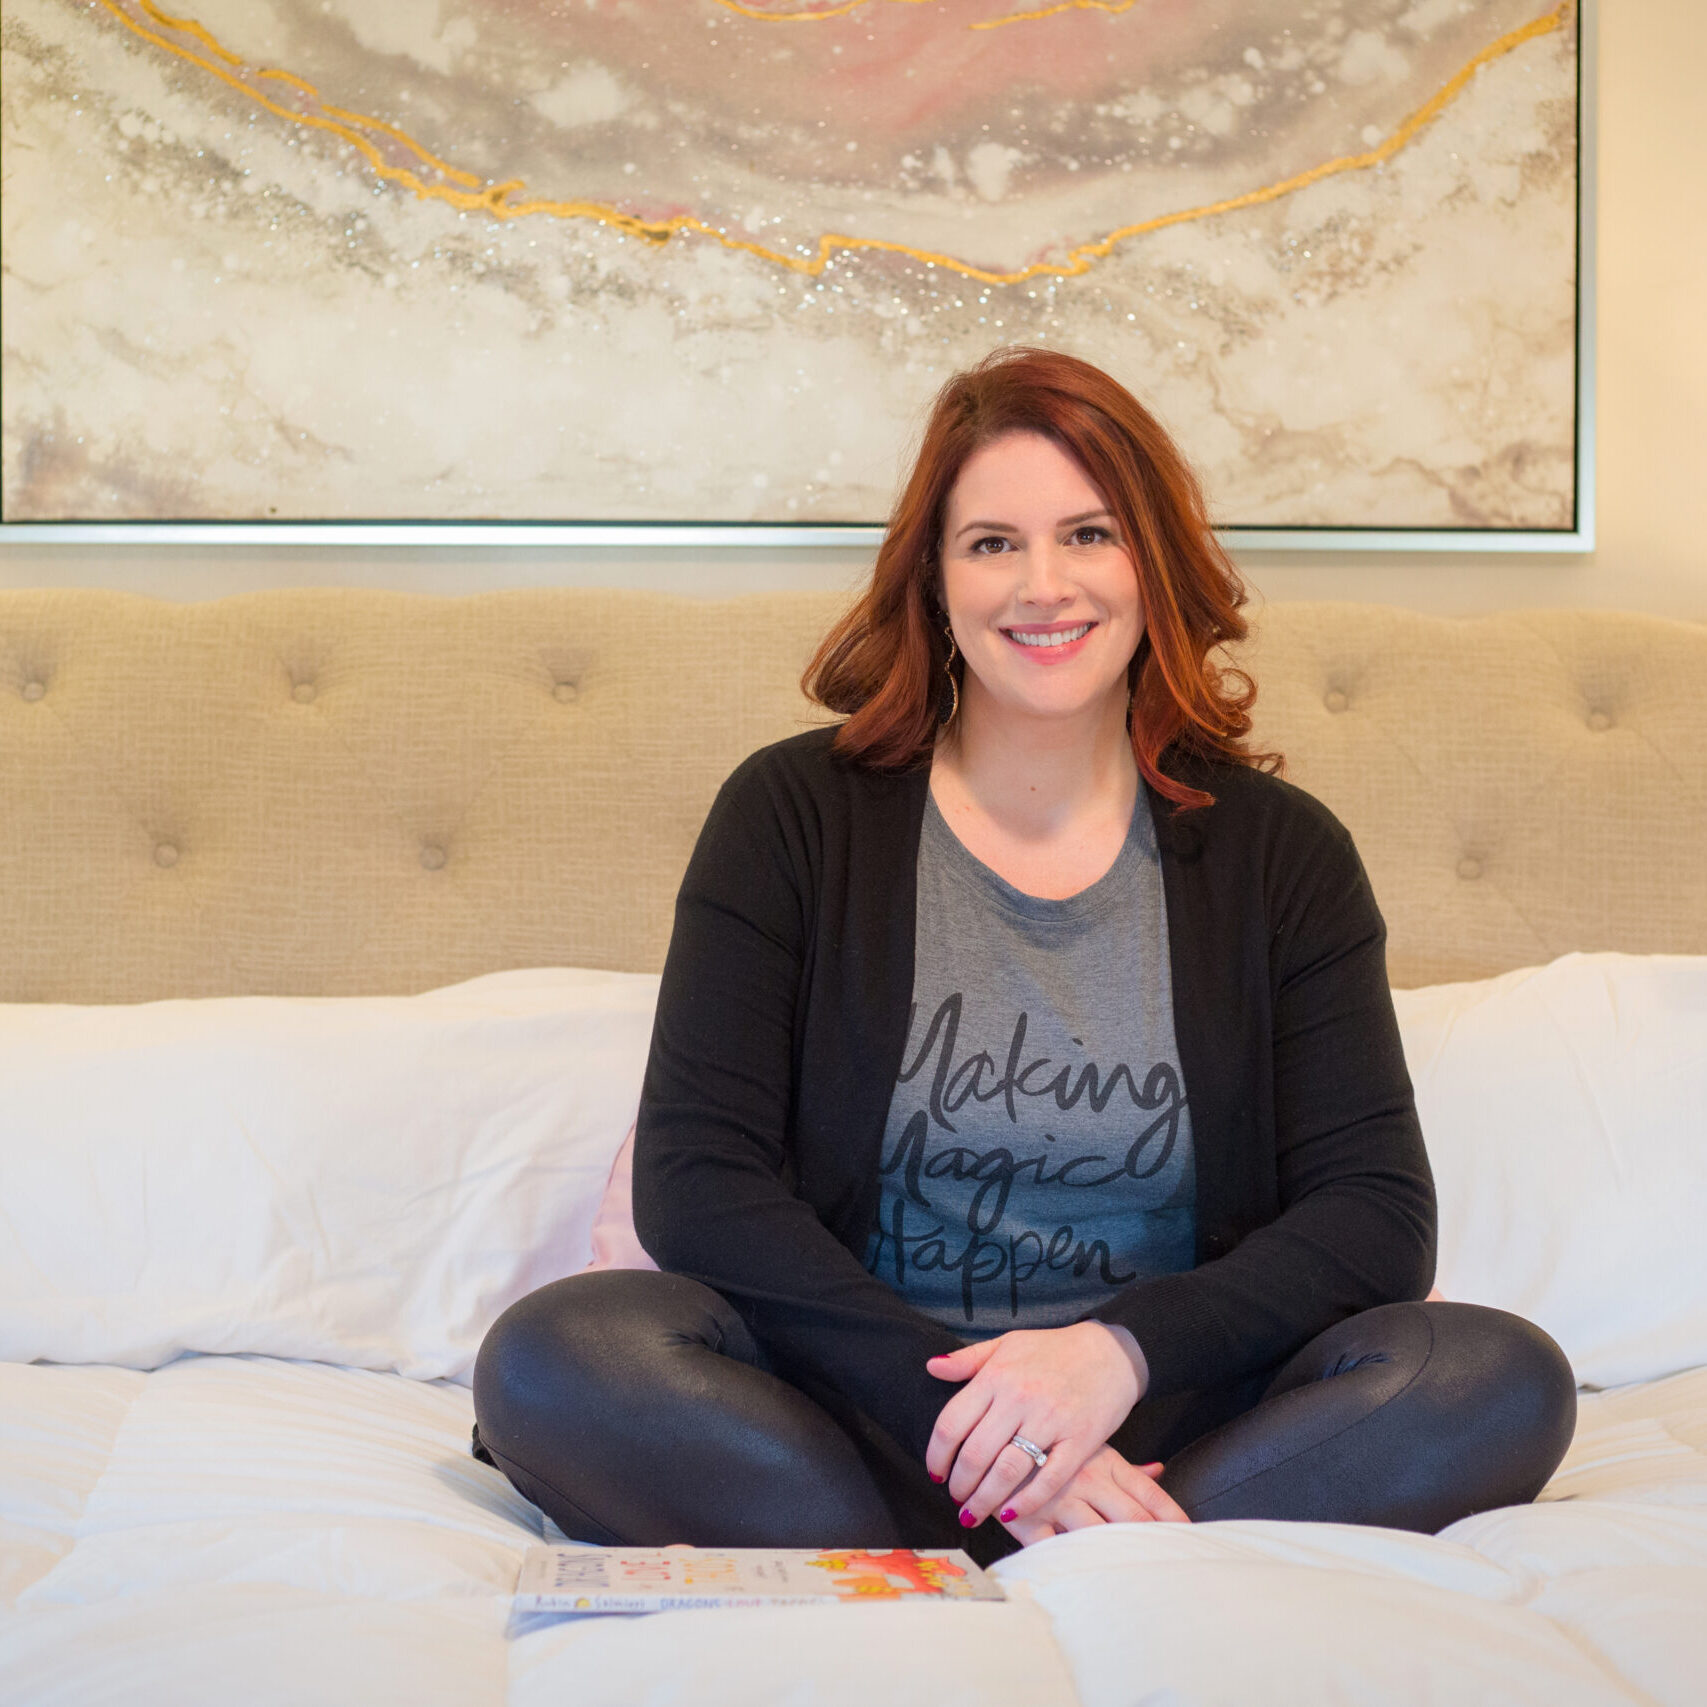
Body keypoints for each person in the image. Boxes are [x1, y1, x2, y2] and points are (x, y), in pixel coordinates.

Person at [472, 347, 1576, 1564]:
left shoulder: (1282, 855)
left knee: (1496, 1375)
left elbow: (1374, 1212)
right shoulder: (792, 814)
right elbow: (698, 1178)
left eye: (1089, 534)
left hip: (1178, 1418)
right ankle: (1104, 1547)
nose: (1042, 586)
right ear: (934, 581)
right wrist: (962, 1415)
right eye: (992, 543)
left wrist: (1113, 1357)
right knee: (558, 1354)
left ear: (1152, 564)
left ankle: (1036, 1538)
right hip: (861, 1410)